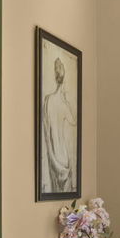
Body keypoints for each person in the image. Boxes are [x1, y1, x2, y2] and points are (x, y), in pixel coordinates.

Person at [42, 54, 77, 193]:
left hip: (54, 154)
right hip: (64, 155)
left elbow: (46, 129)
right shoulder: (64, 104)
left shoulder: (47, 100)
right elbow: (74, 121)